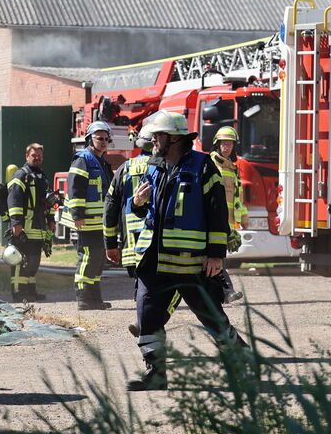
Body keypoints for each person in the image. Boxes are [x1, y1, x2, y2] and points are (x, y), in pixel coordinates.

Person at [125, 111, 246, 391]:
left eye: (159, 136)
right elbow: (144, 209)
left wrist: (217, 254)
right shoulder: (154, 167)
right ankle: (156, 372)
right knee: (147, 316)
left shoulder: (203, 166)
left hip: (191, 262)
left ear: (175, 137)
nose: (153, 141)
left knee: (212, 317)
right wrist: (138, 202)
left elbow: (217, 212)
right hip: (153, 260)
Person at [106, 120, 158, 337]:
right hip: (158, 237)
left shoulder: (125, 168)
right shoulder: (164, 166)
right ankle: (148, 324)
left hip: (132, 241)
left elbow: (111, 205)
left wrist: (110, 243)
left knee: (141, 284)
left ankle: (144, 322)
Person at [64, 120, 113, 310]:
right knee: (88, 257)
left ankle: (94, 299)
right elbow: (75, 188)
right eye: (99, 138)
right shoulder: (83, 159)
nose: (103, 141)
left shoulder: (100, 161)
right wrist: (77, 214)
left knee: (99, 259)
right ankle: (83, 297)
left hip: (98, 222)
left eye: (106, 139)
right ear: (89, 139)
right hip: (86, 221)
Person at [7, 143, 52, 303]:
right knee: (20, 261)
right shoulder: (21, 175)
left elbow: (47, 201)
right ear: (27, 156)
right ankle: (18, 294)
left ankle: (31, 293)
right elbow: (14, 200)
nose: (37, 158)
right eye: (34, 155)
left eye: (40, 155)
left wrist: (51, 220)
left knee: (33, 261)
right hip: (24, 227)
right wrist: (16, 223)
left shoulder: (41, 176)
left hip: (38, 228)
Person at [210, 126, 249, 303]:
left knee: (216, 258)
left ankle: (221, 293)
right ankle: (227, 291)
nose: (227, 148)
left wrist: (243, 218)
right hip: (212, 221)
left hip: (226, 222)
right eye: (224, 144)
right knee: (217, 258)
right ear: (217, 144)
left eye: (230, 144)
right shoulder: (209, 164)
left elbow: (237, 197)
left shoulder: (233, 168)